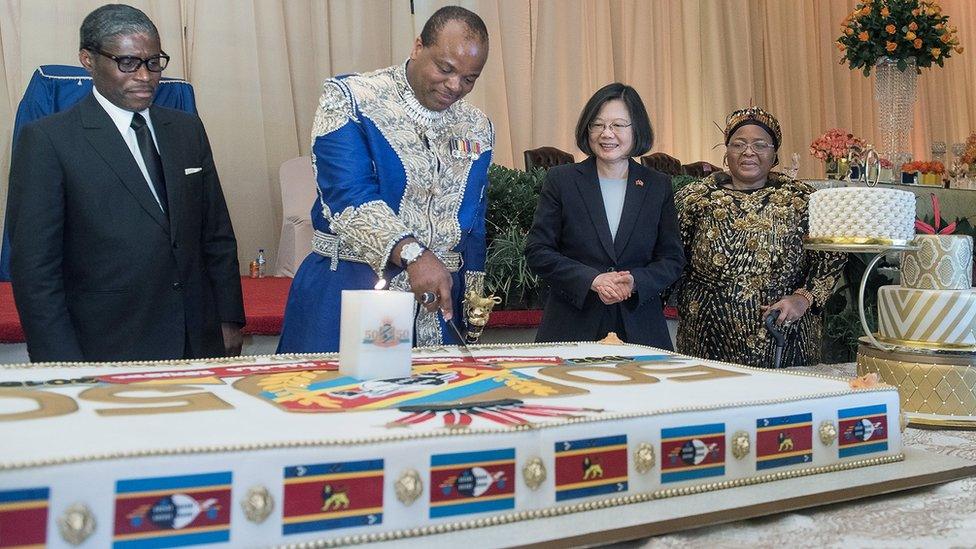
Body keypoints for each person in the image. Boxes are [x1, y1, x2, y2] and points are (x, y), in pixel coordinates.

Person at [7, 4, 244, 362]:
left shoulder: (186, 130)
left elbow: (215, 233)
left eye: (153, 63)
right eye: (128, 63)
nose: (145, 76)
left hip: (196, 338)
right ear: (88, 59)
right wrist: (58, 361)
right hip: (107, 343)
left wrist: (228, 319)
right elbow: (35, 269)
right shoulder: (48, 141)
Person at [277, 6, 493, 352]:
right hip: (352, 291)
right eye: (445, 69)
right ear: (418, 47)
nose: (455, 86)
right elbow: (349, 197)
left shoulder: (477, 125)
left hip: (437, 310)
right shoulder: (352, 99)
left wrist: (473, 300)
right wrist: (413, 254)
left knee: (432, 403)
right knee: (348, 400)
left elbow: (474, 225)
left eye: (469, 79)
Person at [673, 106, 845, 368]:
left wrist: (803, 298)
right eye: (738, 144)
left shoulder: (804, 199)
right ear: (726, 151)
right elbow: (669, 258)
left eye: (760, 145)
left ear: (775, 154)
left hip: (785, 337)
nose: (748, 152)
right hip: (707, 337)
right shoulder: (694, 198)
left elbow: (832, 255)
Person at [525, 83, 685, 349]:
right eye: (597, 125)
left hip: (640, 326)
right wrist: (592, 280)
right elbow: (538, 250)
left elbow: (671, 258)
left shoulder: (657, 185)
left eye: (618, 125)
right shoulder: (561, 181)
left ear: (637, 130)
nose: (606, 134)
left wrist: (634, 281)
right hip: (572, 324)